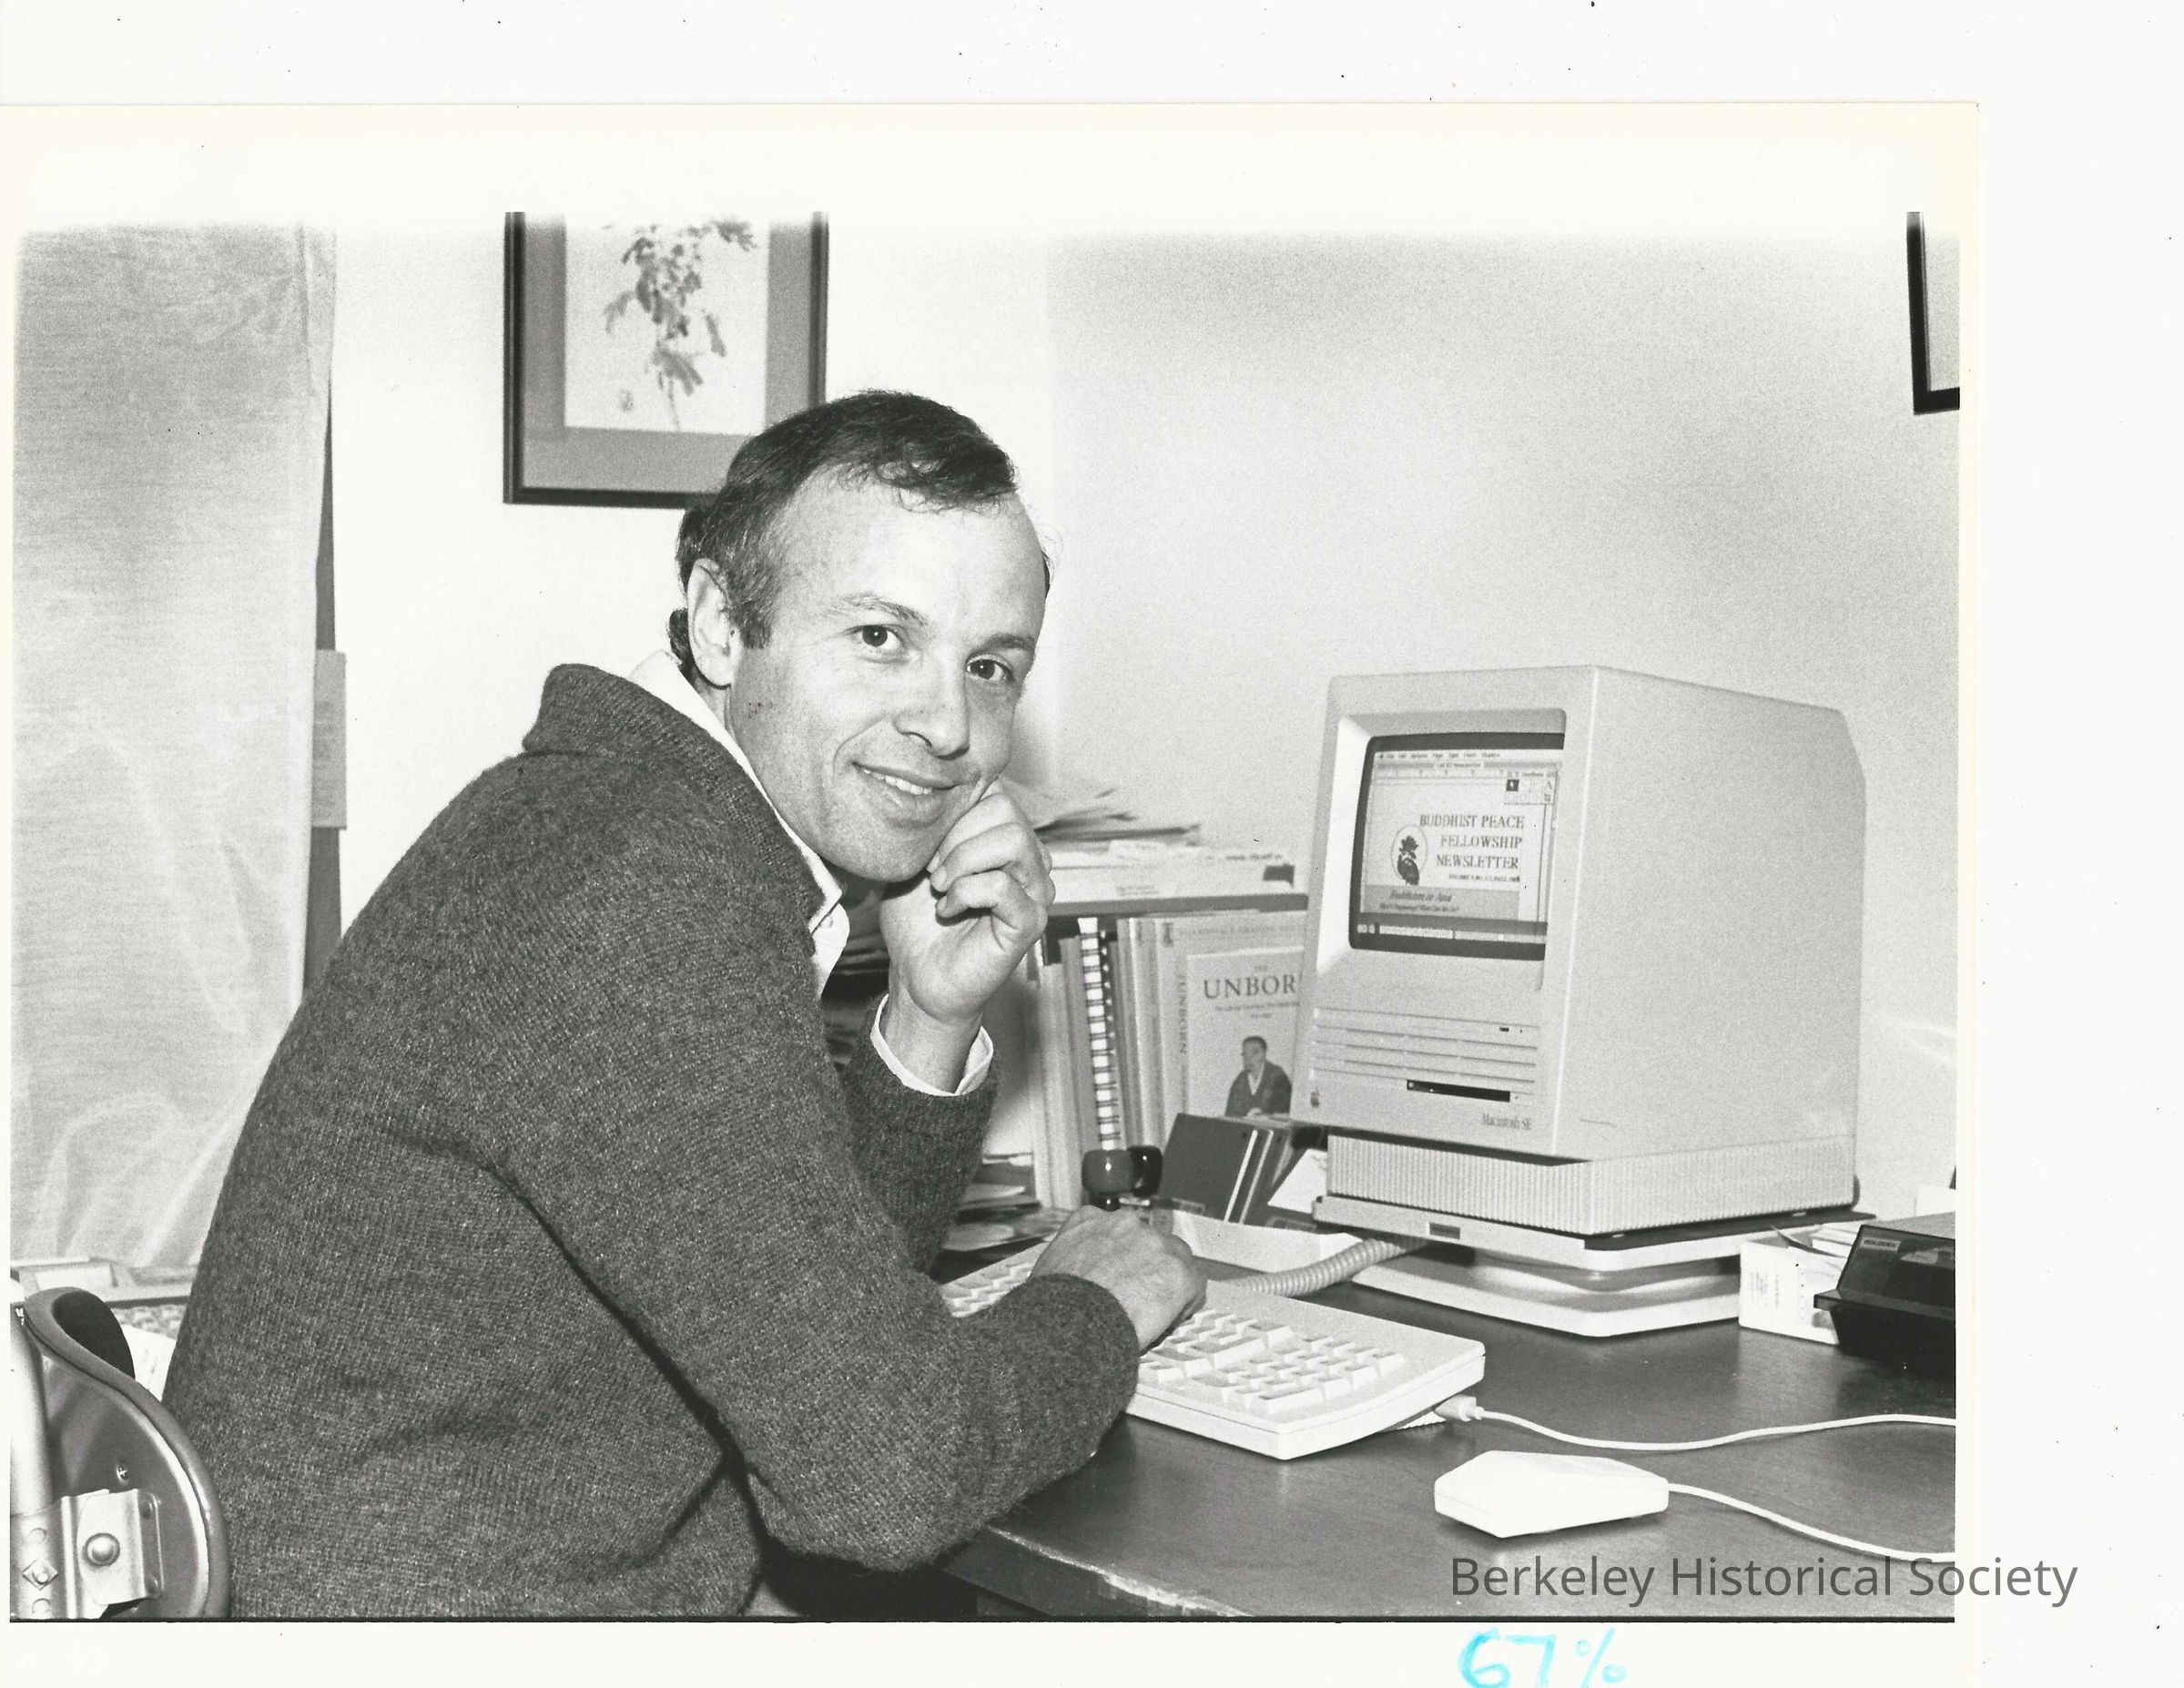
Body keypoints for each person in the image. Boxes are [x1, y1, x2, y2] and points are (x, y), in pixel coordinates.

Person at [165, 391, 1204, 1616]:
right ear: (720, 624)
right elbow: (885, 1479)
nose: (946, 726)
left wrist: (930, 1017)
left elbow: (808, 1313)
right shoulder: (635, 892)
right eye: (880, 636)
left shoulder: (628, 822)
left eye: (988, 666)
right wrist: (1097, 1305)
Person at [1223, 1035, 1293, 1118]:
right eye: (1245, 1054)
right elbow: (1230, 1114)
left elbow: (1284, 1112)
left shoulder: (1278, 1077)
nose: (1248, 1058)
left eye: (1254, 1053)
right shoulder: (1240, 1080)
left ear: (1264, 1054)